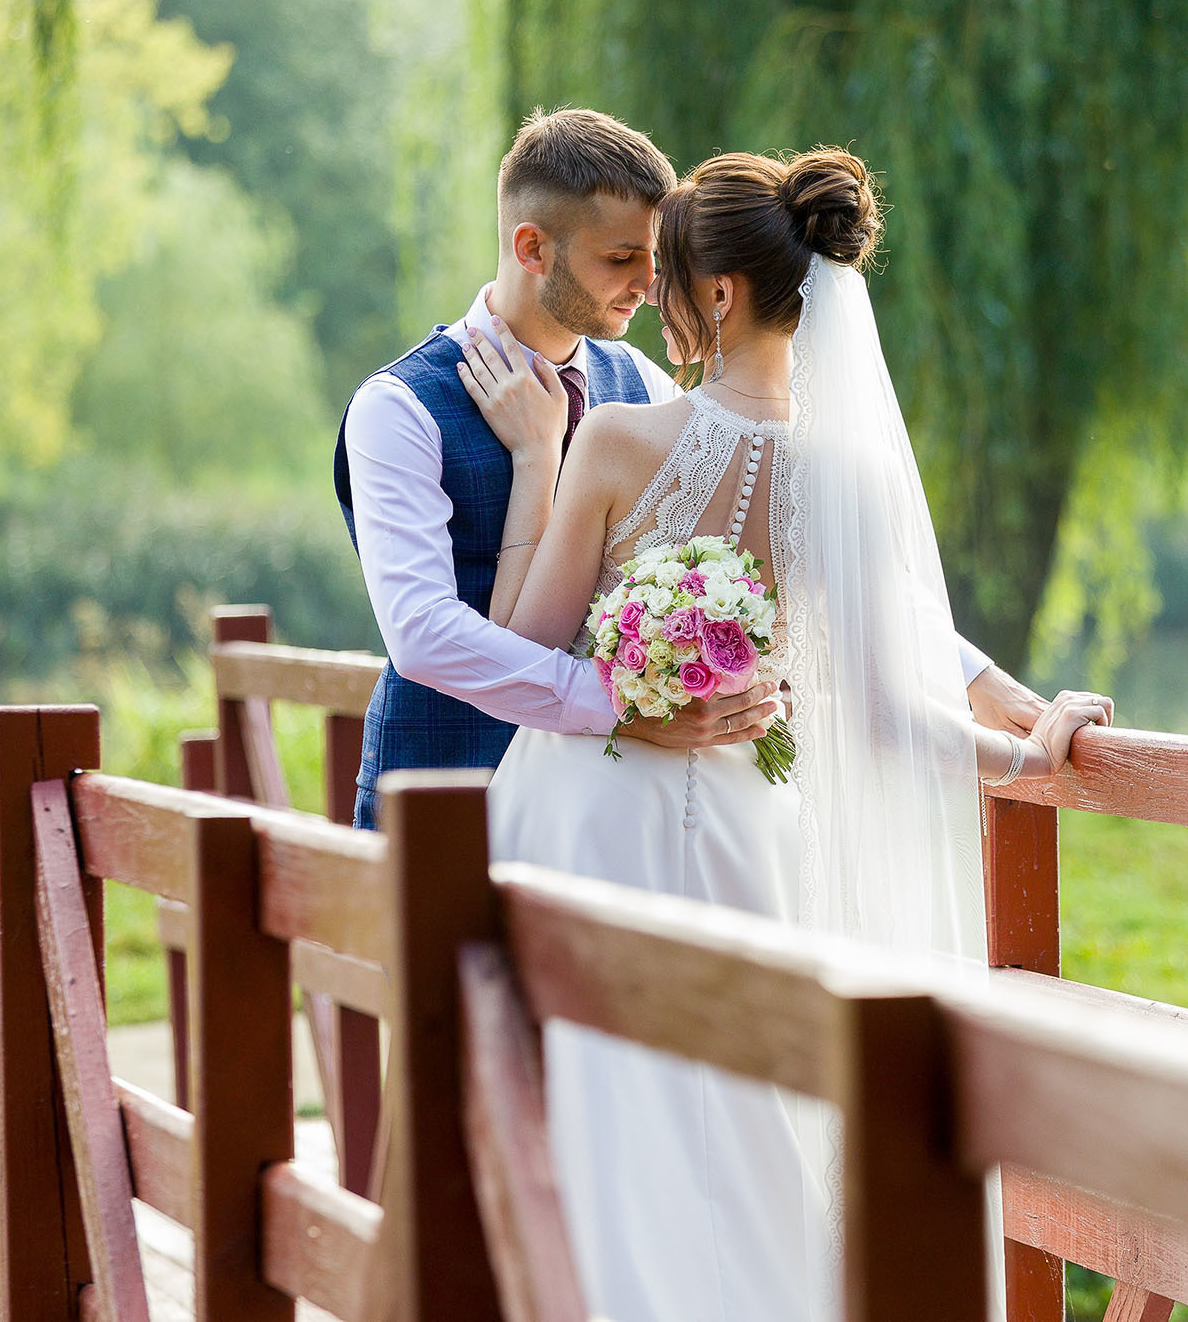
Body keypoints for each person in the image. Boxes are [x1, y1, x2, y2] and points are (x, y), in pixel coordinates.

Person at [471, 147, 1113, 1321]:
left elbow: (528, 644)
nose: (652, 298)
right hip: (740, 829)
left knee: (596, 1104)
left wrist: (533, 463)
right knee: (735, 1111)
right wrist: (1030, 748)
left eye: (664, 274)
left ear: (715, 294)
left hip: (586, 815)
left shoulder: (614, 442)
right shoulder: (848, 476)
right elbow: (880, 714)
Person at [336, 107, 1052, 829]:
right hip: (438, 805)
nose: (650, 285)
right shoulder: (399, 409)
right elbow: (424, 632)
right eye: (621, 259)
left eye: (657, 259)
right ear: (532, 248)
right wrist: (621, 703)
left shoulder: (641, 385)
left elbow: (809, 528)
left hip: (622, 818)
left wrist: (974, 674)